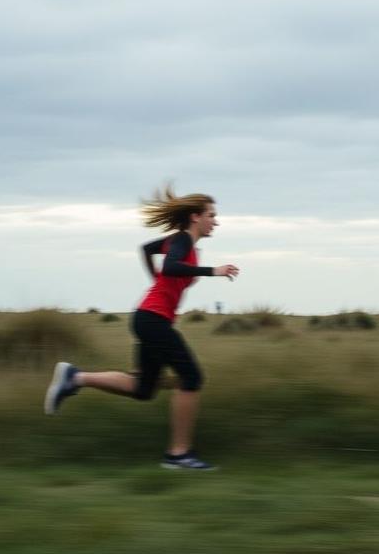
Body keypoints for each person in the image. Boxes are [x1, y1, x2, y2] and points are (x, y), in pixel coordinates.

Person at [44, 187, 239, 470]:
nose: (216, 221)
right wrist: (212, 271)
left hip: (149, 318)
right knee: (192, 377)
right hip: (152, 319)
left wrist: (156, 280)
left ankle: (75, 378)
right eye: (212, 215)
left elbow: (147, 250)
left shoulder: (179, 242)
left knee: (143, 388)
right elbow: (171, 267)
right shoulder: (183, 240)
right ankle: (178, 454)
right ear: (196, 217)